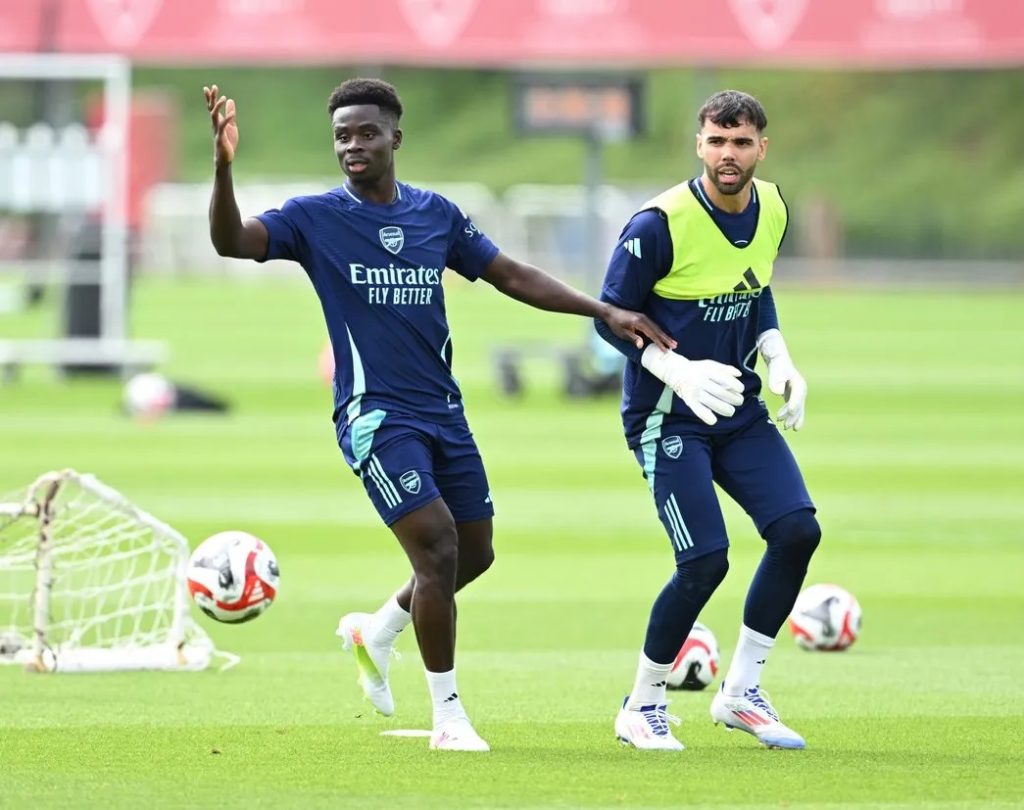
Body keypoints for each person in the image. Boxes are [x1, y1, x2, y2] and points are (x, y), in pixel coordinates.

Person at [203, 78, 673, 752]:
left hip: (443, 412)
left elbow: (511, 274)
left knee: (474, 554)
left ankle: (377, 630)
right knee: (438, 547)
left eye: (365, 132)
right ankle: (449, 718)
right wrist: (223, 168)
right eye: (341, 136)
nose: (352, 146)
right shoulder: (314, 218)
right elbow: (233, 242)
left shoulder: (437, 216)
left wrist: (604, 311)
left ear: (396, 135)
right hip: (375, 415)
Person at [594, 90, 820, 751]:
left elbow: (756, 285)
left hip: (736, 410)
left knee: (797, 531)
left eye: (741, 142)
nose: (729, 154)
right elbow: (609, 318)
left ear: (761, 148)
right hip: (669, 416)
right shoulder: (657, 224)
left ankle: (742, 692)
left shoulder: (773, 206)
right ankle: (641, 704)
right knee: (705, 561)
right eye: (717, 141)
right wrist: (675, 371)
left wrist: (778, 354)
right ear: (699, 144)